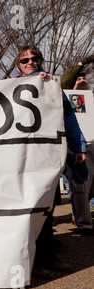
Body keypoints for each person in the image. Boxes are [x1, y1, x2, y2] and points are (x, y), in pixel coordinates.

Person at [13, 46, 88, 278]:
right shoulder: (9, 87)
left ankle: (48, 258)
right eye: (25, 59)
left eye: (34, 58)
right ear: (18, 65)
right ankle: (30, 262)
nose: (30, 62)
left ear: (41, 61)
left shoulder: (53, 86)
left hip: (48, 156)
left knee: (48, 208)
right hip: (21, 160)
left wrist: (78, 147)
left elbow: (69, 119)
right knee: (28, 210)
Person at [60, 55, 94, 236]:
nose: (81, 81)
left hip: (93, 144)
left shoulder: (91, 98)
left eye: (84, 78)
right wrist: (82, 63)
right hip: (79, 146)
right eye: (78, 78)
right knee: (80, 186)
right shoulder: (67, 96)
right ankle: (82, 222)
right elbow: (65, 80)